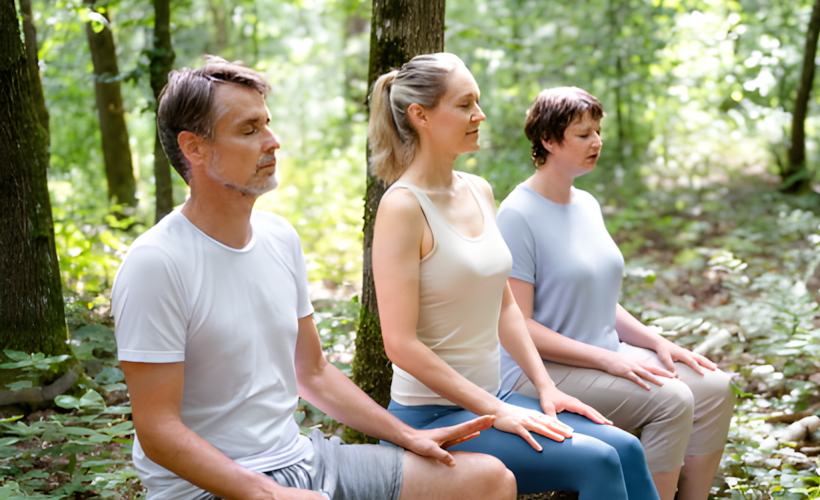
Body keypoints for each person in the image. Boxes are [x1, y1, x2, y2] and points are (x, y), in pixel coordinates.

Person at [111, 57, 517, 500]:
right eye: (249, 130)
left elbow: (314, 372)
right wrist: (267, 494)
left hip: (304, 460)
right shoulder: (157, 263)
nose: (273, 142)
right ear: (194, 148)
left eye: (267, 124)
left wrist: (408, 435)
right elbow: (157, 429)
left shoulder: (279, 237)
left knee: (492, 481)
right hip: (210, 489)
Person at [368, 53, 659, 500]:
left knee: (626, 448)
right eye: (464, 104)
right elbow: (400, 345)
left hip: (495, 398)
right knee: (598, 460)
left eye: (477, 101)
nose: (479, 114)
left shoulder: (479, 190)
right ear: (420, 115)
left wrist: (546, 388)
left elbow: (504, 306)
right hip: (433, 416)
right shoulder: (403, 207)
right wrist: (496, 409)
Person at [496, 87, 735, 500]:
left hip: (605, 353)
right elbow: (519, 324)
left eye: (597, 131)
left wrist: (657, 342)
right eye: (583, 134)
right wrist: (610, 360)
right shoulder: (517, 214)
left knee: (715, 387)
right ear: (548, 140)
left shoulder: (586, 204)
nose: (596, 142)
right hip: (537, 372)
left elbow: (599, 298)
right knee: (672, 400)